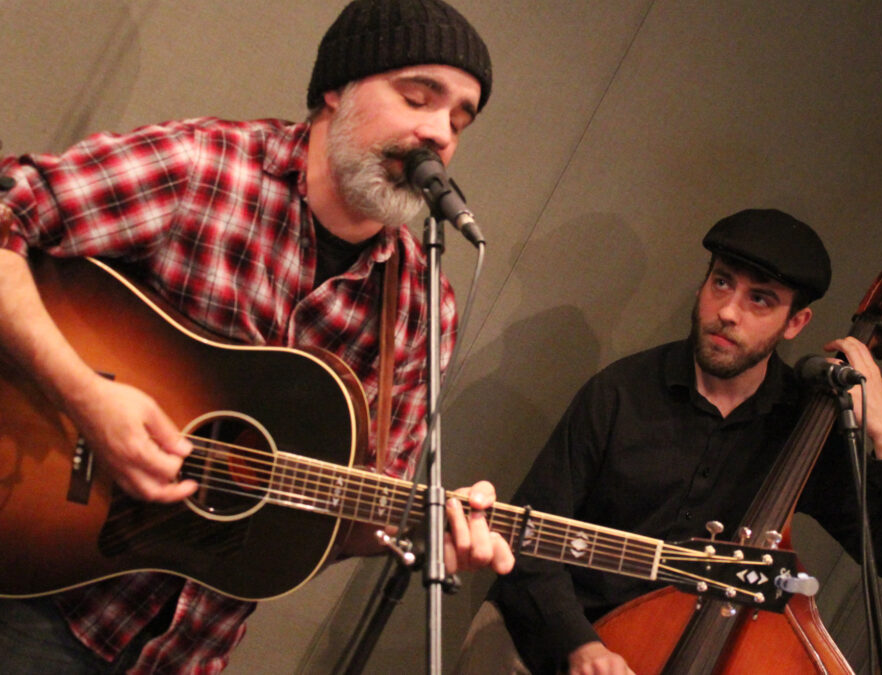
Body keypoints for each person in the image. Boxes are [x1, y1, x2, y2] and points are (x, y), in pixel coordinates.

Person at [0, 0, 514, 672]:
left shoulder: (423, 304)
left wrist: (426, 526)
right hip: (37, 589)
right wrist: (84, 396)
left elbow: (350, 512)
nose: (438, 132)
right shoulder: (204, 168)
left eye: (459, 120)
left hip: (186, 652)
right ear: (336, 89)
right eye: (418, 97)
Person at [470, 209, 882, 674]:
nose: (727, 312)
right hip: (551, 642)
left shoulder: (802, 428)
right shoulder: (619, 393)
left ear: (796, 323)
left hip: (687, 654)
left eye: (760, 299)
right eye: (721, 282)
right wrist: (582, 647)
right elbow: (525, 537)